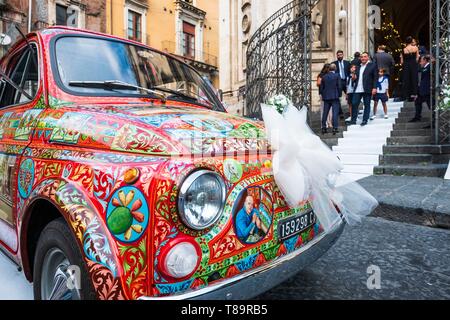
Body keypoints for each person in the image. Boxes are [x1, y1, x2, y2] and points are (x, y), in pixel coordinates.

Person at [349, 52, 378, 126]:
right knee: (354, 103)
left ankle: (365, 120)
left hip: (367, 88)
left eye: (365, 57)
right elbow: (354, 79)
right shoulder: (358, 67)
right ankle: (353, 120)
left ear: (368, 57)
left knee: (366, 104)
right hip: (358, 88)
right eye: (361, 57)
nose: (363, 58)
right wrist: (352, 73)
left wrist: (374, 87)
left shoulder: (373, 65)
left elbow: (375, 78)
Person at [320, 63, 341, 135]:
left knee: (325, 113)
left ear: (329, 69)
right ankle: (335, 128)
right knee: (335, 112)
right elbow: (339, 86)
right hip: (335, 96)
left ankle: (323, 128)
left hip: (326, 97)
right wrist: (339, 94)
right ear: (335, 69)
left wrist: (323, 95)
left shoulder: (324, 76)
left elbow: (321, 87)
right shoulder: (337, 75)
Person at [410, 55, 432, 123]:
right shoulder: (424, 68)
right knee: (417, 102)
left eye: (421, 61)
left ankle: (434, 122)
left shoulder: (429, 67)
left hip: (427, 90)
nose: (420, 63)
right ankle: (417, 117)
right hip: (422, 90)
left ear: (425, 60)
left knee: (430, 106)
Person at [401, 36, 420, 101]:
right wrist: (414, 62)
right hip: (414, 64)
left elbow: (402, 61)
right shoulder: (415, 48)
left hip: (406, 65)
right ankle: (415, 94)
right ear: (411, 41)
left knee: (406, 80)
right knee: (414, 78)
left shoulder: (404, 49)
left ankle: (407, 95)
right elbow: (417, 58)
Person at [333, 50, 351, 117]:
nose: (339, 56)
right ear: (336, 56)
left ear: (343, 55)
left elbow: (350, 72)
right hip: (338, 82)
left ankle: (350, 111)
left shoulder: (347, 63)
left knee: (349, 96)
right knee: (337, 97)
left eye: (341, 55)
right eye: (338, 55)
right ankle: (340, 112)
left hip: (346, 82)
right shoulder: (334, 63)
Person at [317, 63, 333, 130]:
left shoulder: (321, 75)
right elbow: (318, 83)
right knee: (328, 109)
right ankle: (328, 123)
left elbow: (318, 84)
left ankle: (327, 123)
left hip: (325, 93)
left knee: (324, 109)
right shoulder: (322, 75)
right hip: (325, 93)